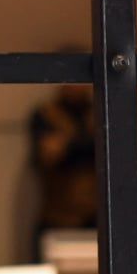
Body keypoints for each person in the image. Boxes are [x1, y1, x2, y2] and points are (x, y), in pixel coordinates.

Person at [29, 77, 98, 259]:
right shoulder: (47, 114)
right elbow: (48, 154)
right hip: (56, 218)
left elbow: (112, 151)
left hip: (95, 219)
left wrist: (68, 145)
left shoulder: (100, 111)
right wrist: (87, 145)